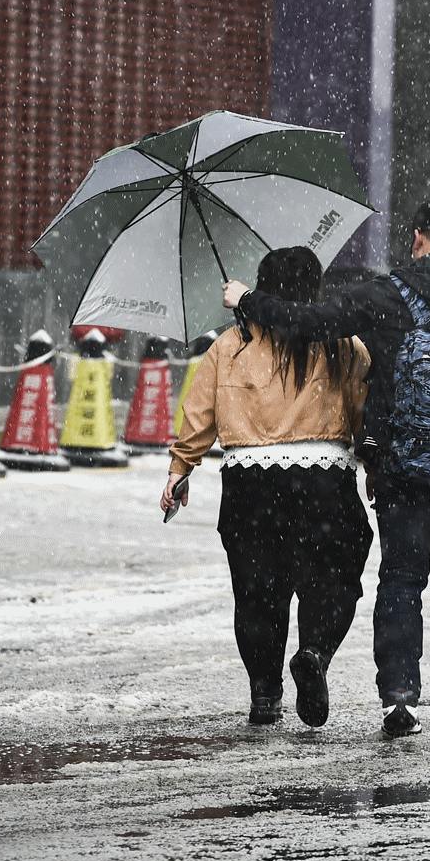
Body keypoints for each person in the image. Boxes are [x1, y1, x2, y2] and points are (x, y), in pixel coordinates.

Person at [222, 197, 430, 738]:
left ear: (417, 238)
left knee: (402, 579)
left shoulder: (386, 295)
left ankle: (399, 695)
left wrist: (250, 299)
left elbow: (311, 322)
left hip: (404, 469)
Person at [163, 247, 373, 729]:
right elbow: (366, 413)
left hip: (249, 483)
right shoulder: (343, 345)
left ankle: (264, 691)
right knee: (334, 576)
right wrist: (375, 468)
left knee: (258, 593)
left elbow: (199, 413)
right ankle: (315, 651)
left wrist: (181, 468)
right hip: (324, 480)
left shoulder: (227, 346)